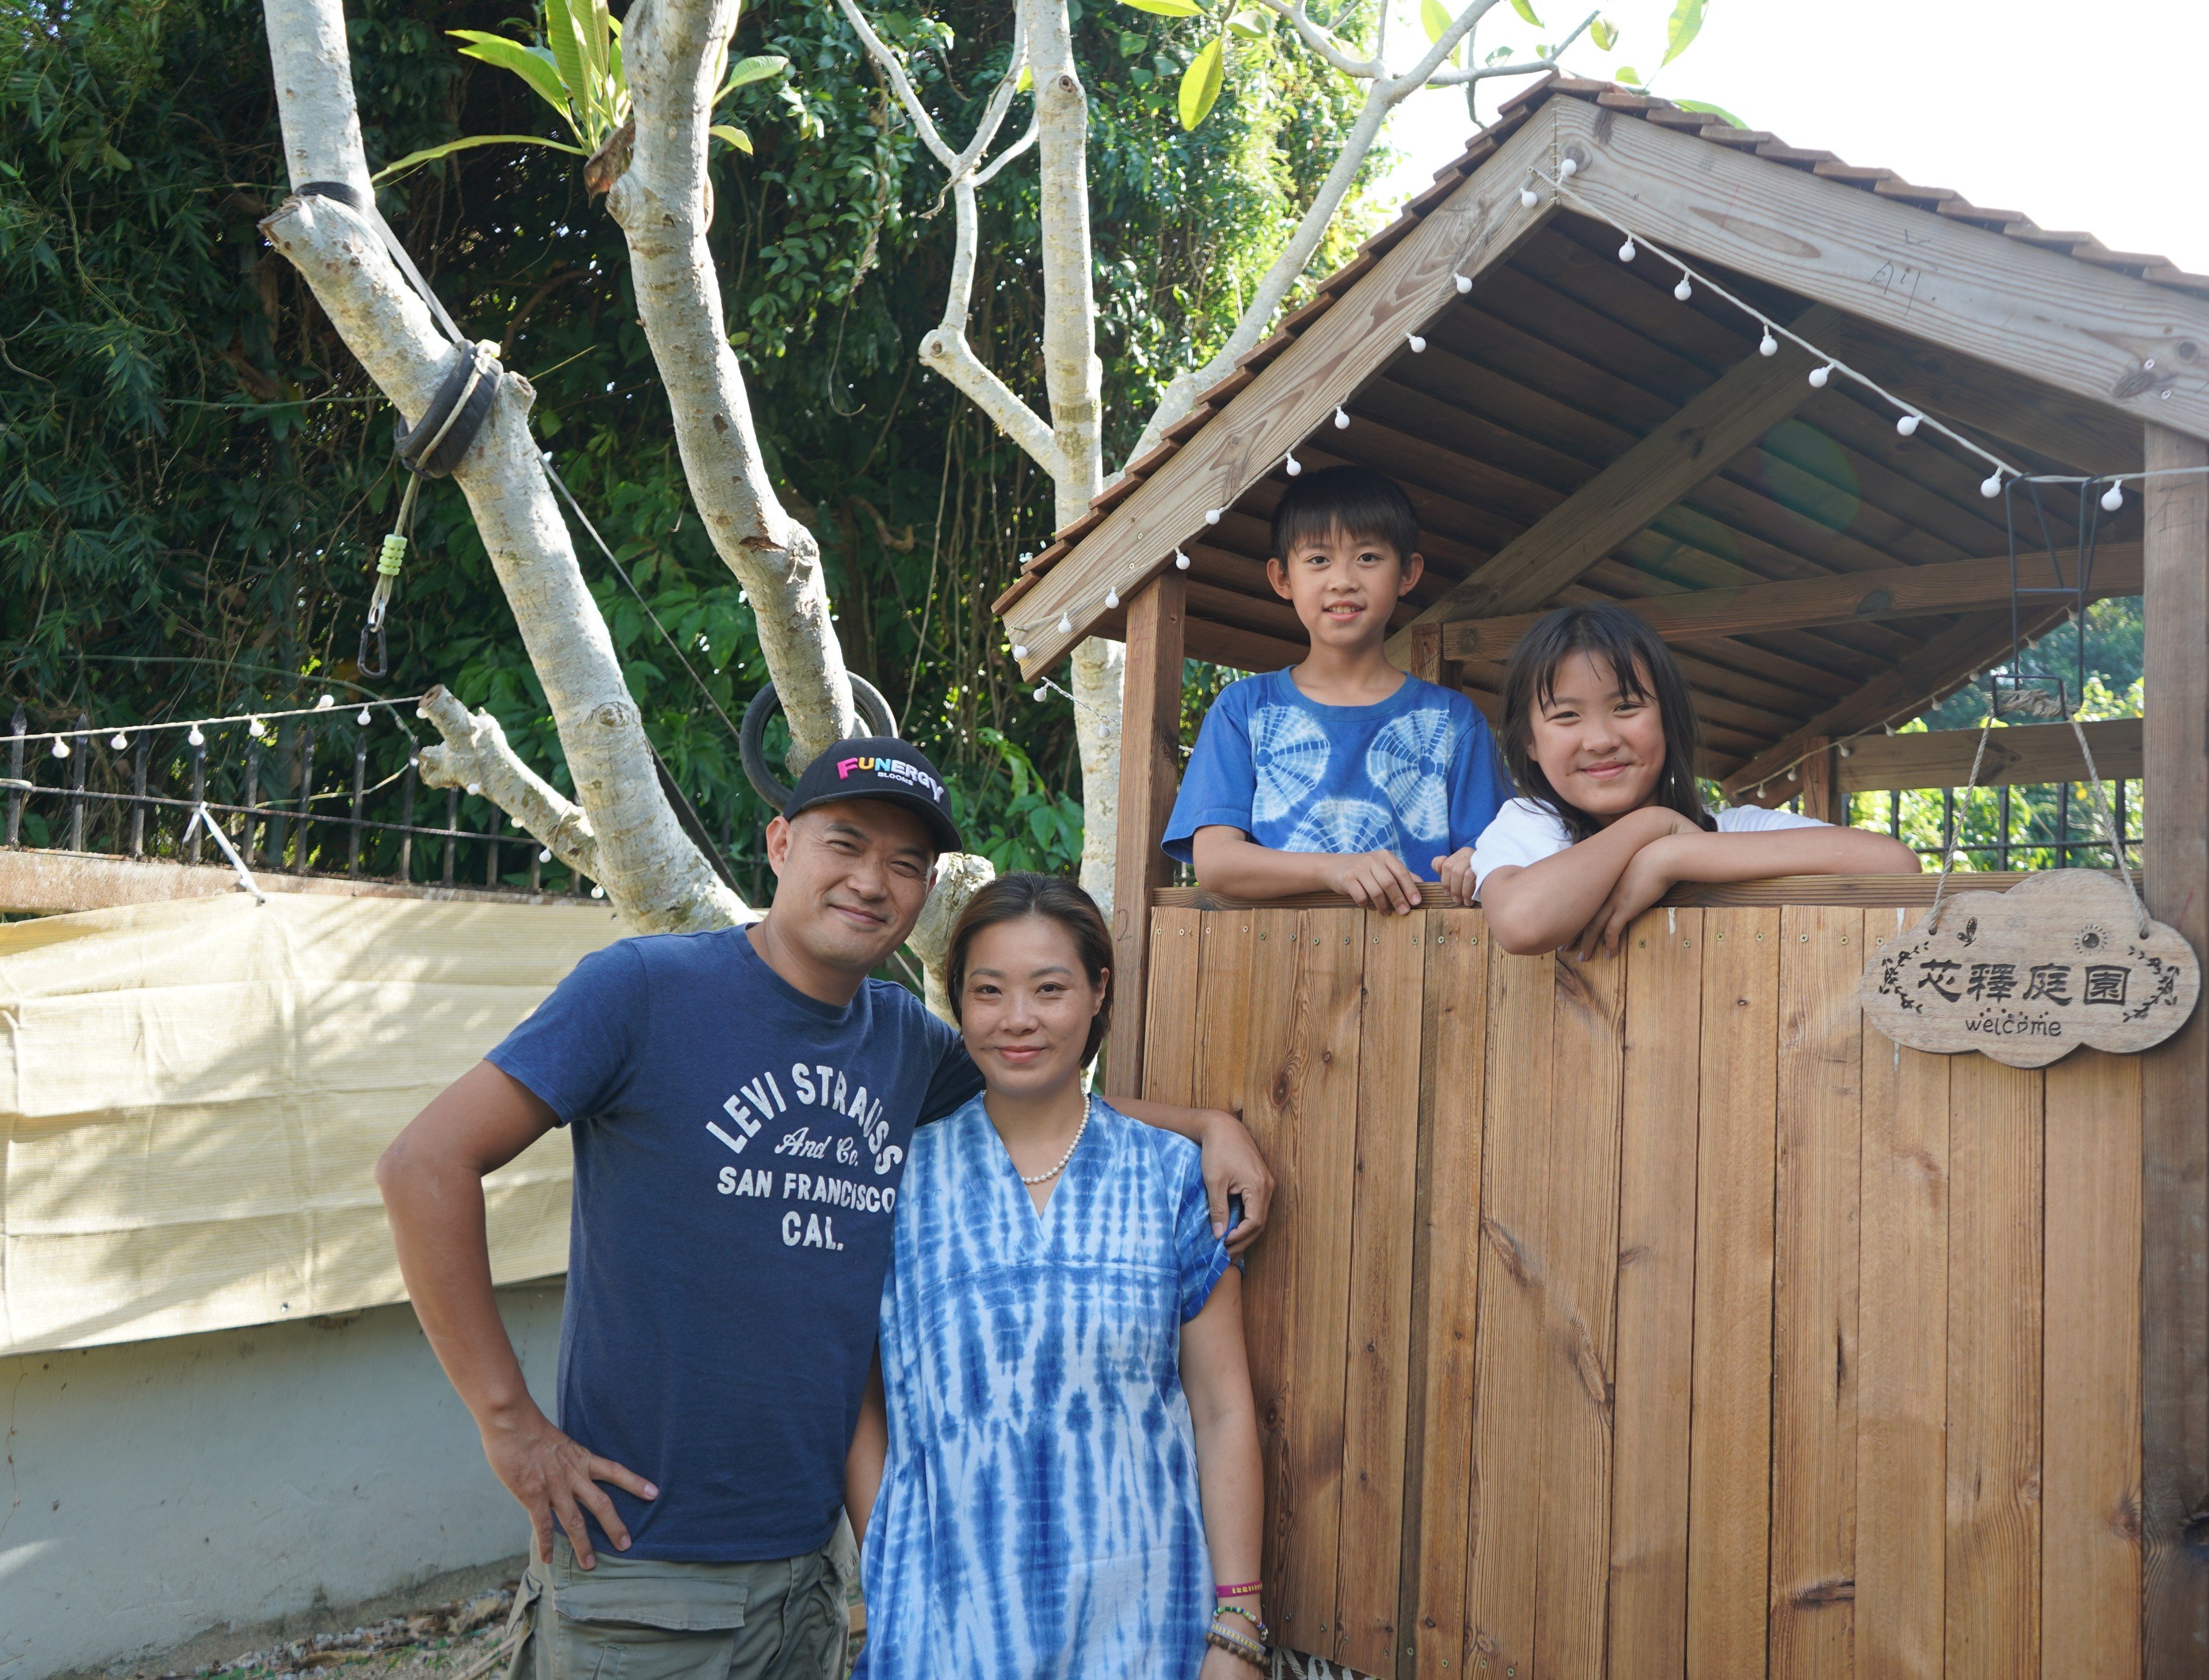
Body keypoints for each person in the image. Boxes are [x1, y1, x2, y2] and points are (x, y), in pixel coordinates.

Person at [374, 737, 1275, 1680]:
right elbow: (423, 1163)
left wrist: (1207, 1124)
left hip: (811, 1576)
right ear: (778, 843)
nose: (871, 881)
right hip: (644, 1558)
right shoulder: (643, 990)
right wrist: (508, 1420)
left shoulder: (902, 1044)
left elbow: (1039, 1087)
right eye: (844, 844)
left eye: (905, 863)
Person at [851, 873, 1266, 1679]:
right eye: (989, 991)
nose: (1018, 1020)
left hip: (1148, 1626)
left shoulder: (1170, 1177)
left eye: (1049, 989)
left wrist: (1238, 1620)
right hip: (946, 1631)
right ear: (958, 1001)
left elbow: (1221, 1410)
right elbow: (858, 1399)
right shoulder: (899, 1182)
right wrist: (888, 1560)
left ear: (1098, 991)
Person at [1473, 603, 1921, 957]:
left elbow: (1894, 865)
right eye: (1566, 715)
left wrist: (1671, 856)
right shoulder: (1528, 824)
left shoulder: (1736, 829)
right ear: (1528, 740)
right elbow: (1520, 924)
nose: (1601, 739)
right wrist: (1651, 827)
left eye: (1626, 707)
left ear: (1668, 718)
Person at [1165, 466, 1510, 912]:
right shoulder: (1245, 709)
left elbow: (1500, 855)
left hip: (1424, 968)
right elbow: (1215, 863)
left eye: (1368, 557)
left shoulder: (1453, 721)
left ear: (1407, 572)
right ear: (1282, 578)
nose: (1343, 579)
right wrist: (1334, 869)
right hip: (1269, 970)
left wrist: (1476, 860)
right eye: (1318, 560)